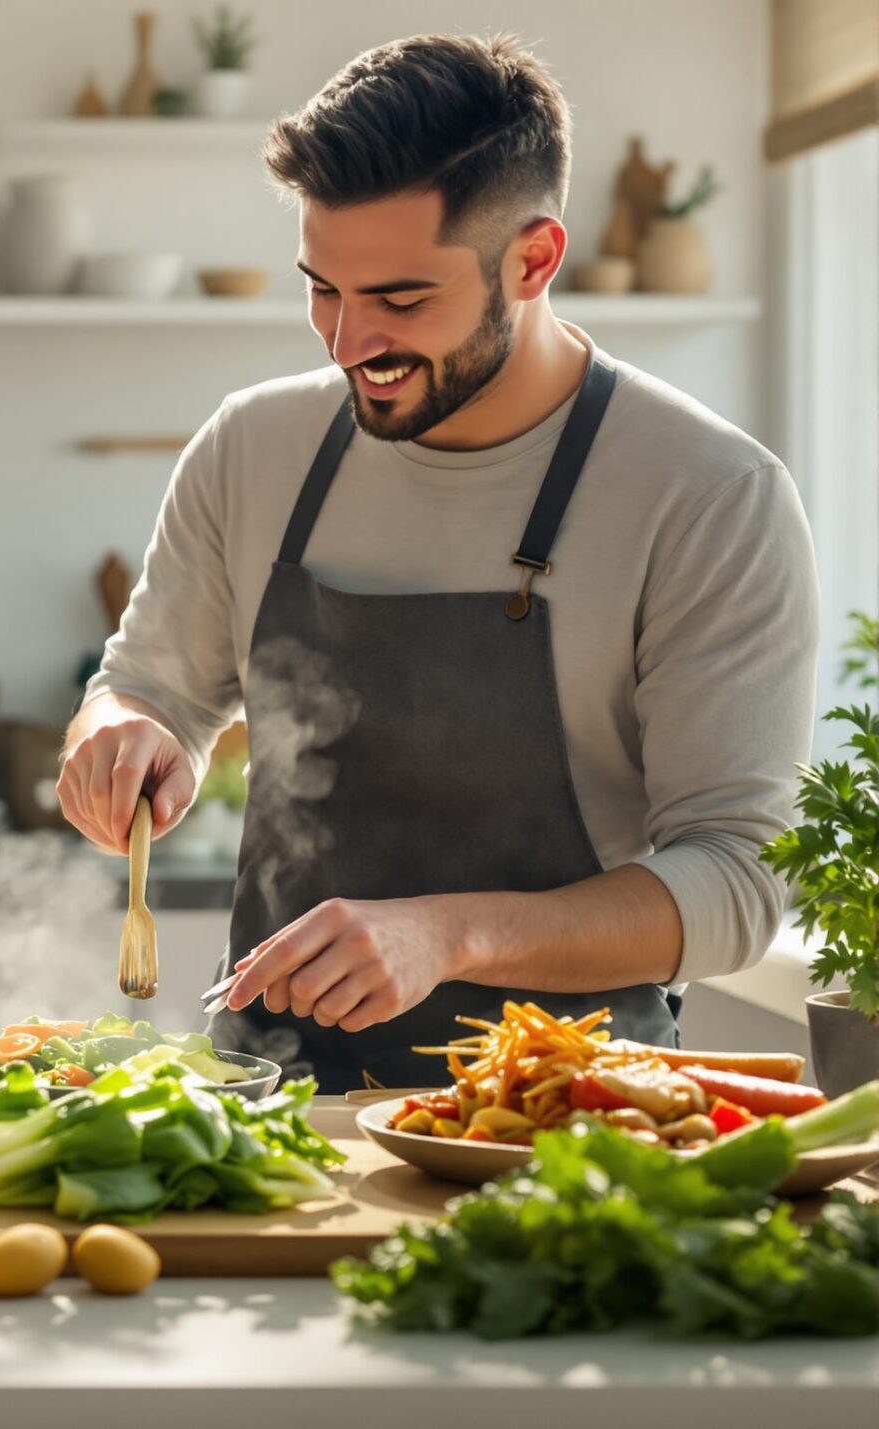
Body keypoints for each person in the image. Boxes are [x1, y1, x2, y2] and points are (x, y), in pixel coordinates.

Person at [57, 35, 817, 1087]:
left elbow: (735, 882)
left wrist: (447, 937)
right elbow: (145, 688)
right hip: (276, 1109)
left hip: (568, 1123)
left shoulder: (704, 493)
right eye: (322, 288)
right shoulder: (251, 448)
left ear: (534, 259)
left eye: (401, 301)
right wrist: (123, 736)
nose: (345, 342)